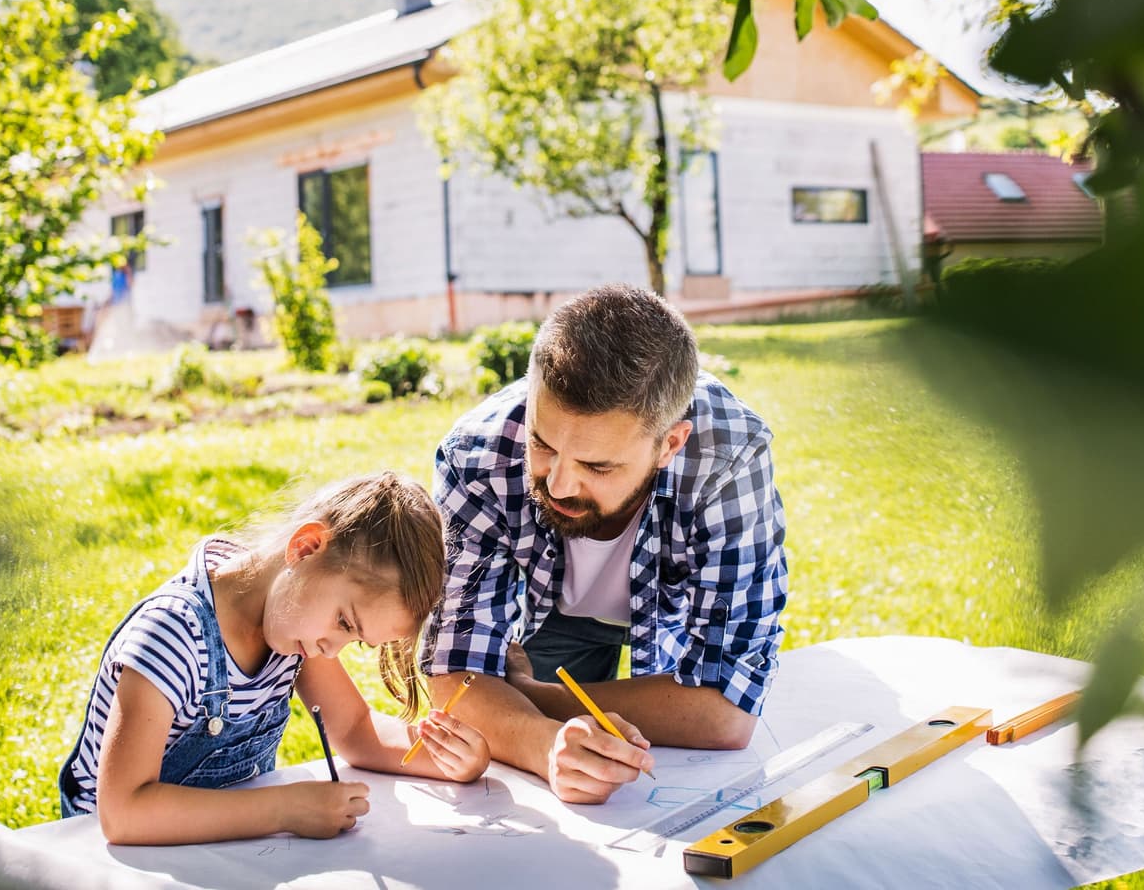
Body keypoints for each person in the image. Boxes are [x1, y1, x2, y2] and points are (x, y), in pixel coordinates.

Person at [422, 284, 788, 804]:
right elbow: (455, 683)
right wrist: (545, 743)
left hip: (672, 623)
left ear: (670, 444)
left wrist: (530, 698)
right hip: (550, 613)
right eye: (542, 445)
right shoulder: (477, 453)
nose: (559, 485)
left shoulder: (728, 458)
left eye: (598, 466)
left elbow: (725, 712)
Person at [58, 472, 490, 844]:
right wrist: (283, 811)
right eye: (344, 621)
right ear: (305, 548)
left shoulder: (293, 626)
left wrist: (444, 758)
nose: (330, 649)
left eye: (354, 640)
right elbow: (122, 813)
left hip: (216, 854)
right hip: (110, 864)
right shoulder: (173, 634)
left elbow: (355, 729)